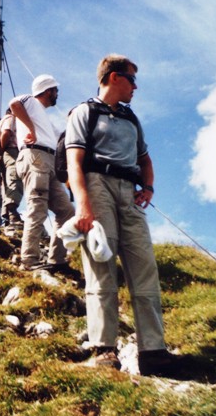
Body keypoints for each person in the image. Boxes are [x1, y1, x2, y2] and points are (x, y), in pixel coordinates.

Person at [64, 54, 181, 376]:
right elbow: (75, 162)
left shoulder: (132, 120)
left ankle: (153, 352)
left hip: (129, 192)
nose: (136, 87)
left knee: (144, 265)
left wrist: (149, 188)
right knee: (101, 265)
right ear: (114, 77)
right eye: (132, 79)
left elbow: (145, 159)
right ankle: (104, 349)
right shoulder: (84, 112)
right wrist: (83, 204)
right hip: (96, 184)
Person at [9, 74, 76, 275]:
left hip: (50, 161)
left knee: (67, 211)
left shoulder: (46, 119)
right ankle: (29, 259)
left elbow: (62, 140)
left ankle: (57, 259)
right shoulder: (30, 100)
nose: (57, 94)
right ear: (48, 90)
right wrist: (30, 129)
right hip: (35, 156)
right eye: (55, 90)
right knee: (37, 206)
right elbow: (14, 103)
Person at [0, 108, 23, 225]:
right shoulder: (10, 118)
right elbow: (6, 132)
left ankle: (7, 214)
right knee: (14, 177)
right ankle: (12, 212)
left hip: (8, 151)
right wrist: (2, 149)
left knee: (7, 182)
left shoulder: (5, 120)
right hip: (11, 151)